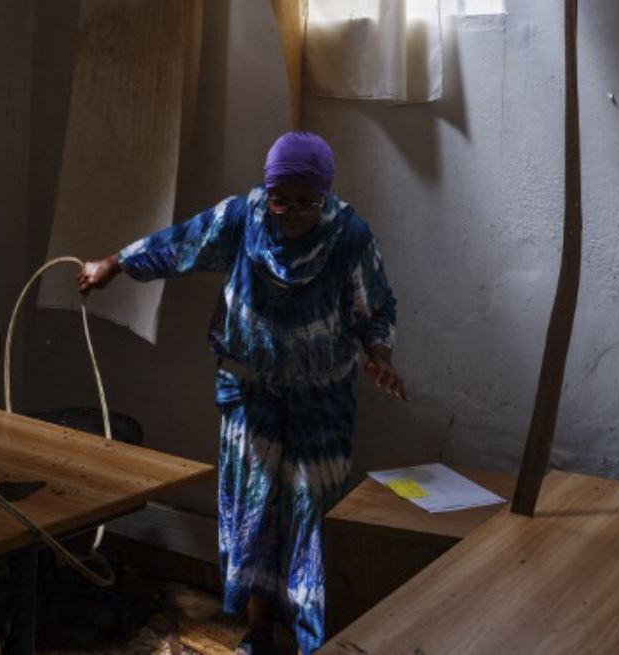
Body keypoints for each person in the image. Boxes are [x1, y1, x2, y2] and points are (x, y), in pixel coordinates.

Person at [77, 131, 404, 655]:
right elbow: (180, 244)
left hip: (321, 406)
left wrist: (380, 358)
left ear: (325, 197)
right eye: (281, 197)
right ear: (266, 188)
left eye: (306, 201)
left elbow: (376, 309)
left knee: (311, 516)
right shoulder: (241, 219)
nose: (292, 211)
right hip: (250, 396)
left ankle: (310, 640)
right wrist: (113, 264)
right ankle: (256, 629)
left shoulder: (349, 238)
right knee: (252, 512)